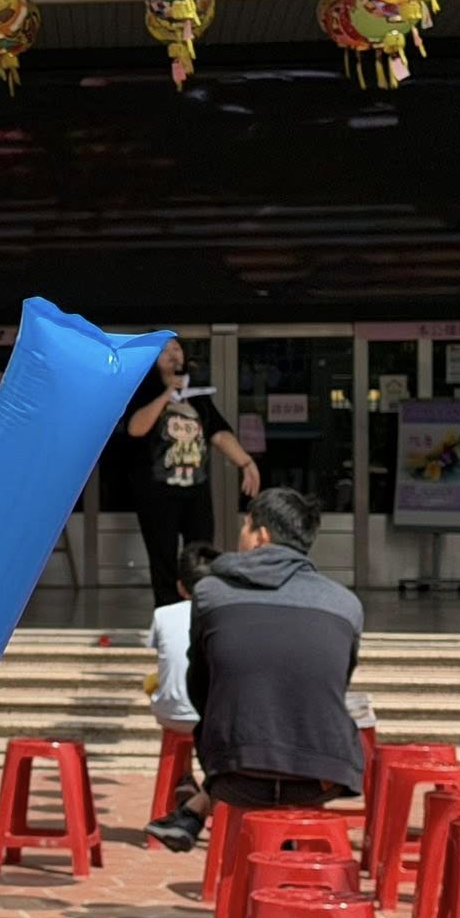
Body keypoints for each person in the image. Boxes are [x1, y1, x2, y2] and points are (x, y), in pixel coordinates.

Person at [147, 490, 364, 851]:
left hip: (234, 772)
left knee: (238, 725)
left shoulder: (211, 593)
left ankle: (197, 810)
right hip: (323, 775)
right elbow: (337, 682)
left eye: (245, 526)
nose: (241, 534)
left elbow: (200, 684)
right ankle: (281, 845)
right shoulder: (346, 604)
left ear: (261, 535)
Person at [123, 337, 259, 605]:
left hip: (196, 489)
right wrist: (167, 395)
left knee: (201, 551)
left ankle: (200, 605)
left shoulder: (197, 395)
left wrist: (246, 463)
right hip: (157, 491)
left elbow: (218, 433)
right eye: (164, 350)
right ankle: (167, 609)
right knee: (162, 554)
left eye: (177, 348)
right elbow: (135, 428)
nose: (173, 354)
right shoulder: (143, 391)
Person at [145, 541, 218, 821]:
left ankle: (185, 775)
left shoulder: (162, 614)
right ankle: (205, 783)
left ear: (180, 586)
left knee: (155, 681)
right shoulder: (224, 614)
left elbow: (163, 657)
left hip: (170, 712)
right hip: (211, 717)